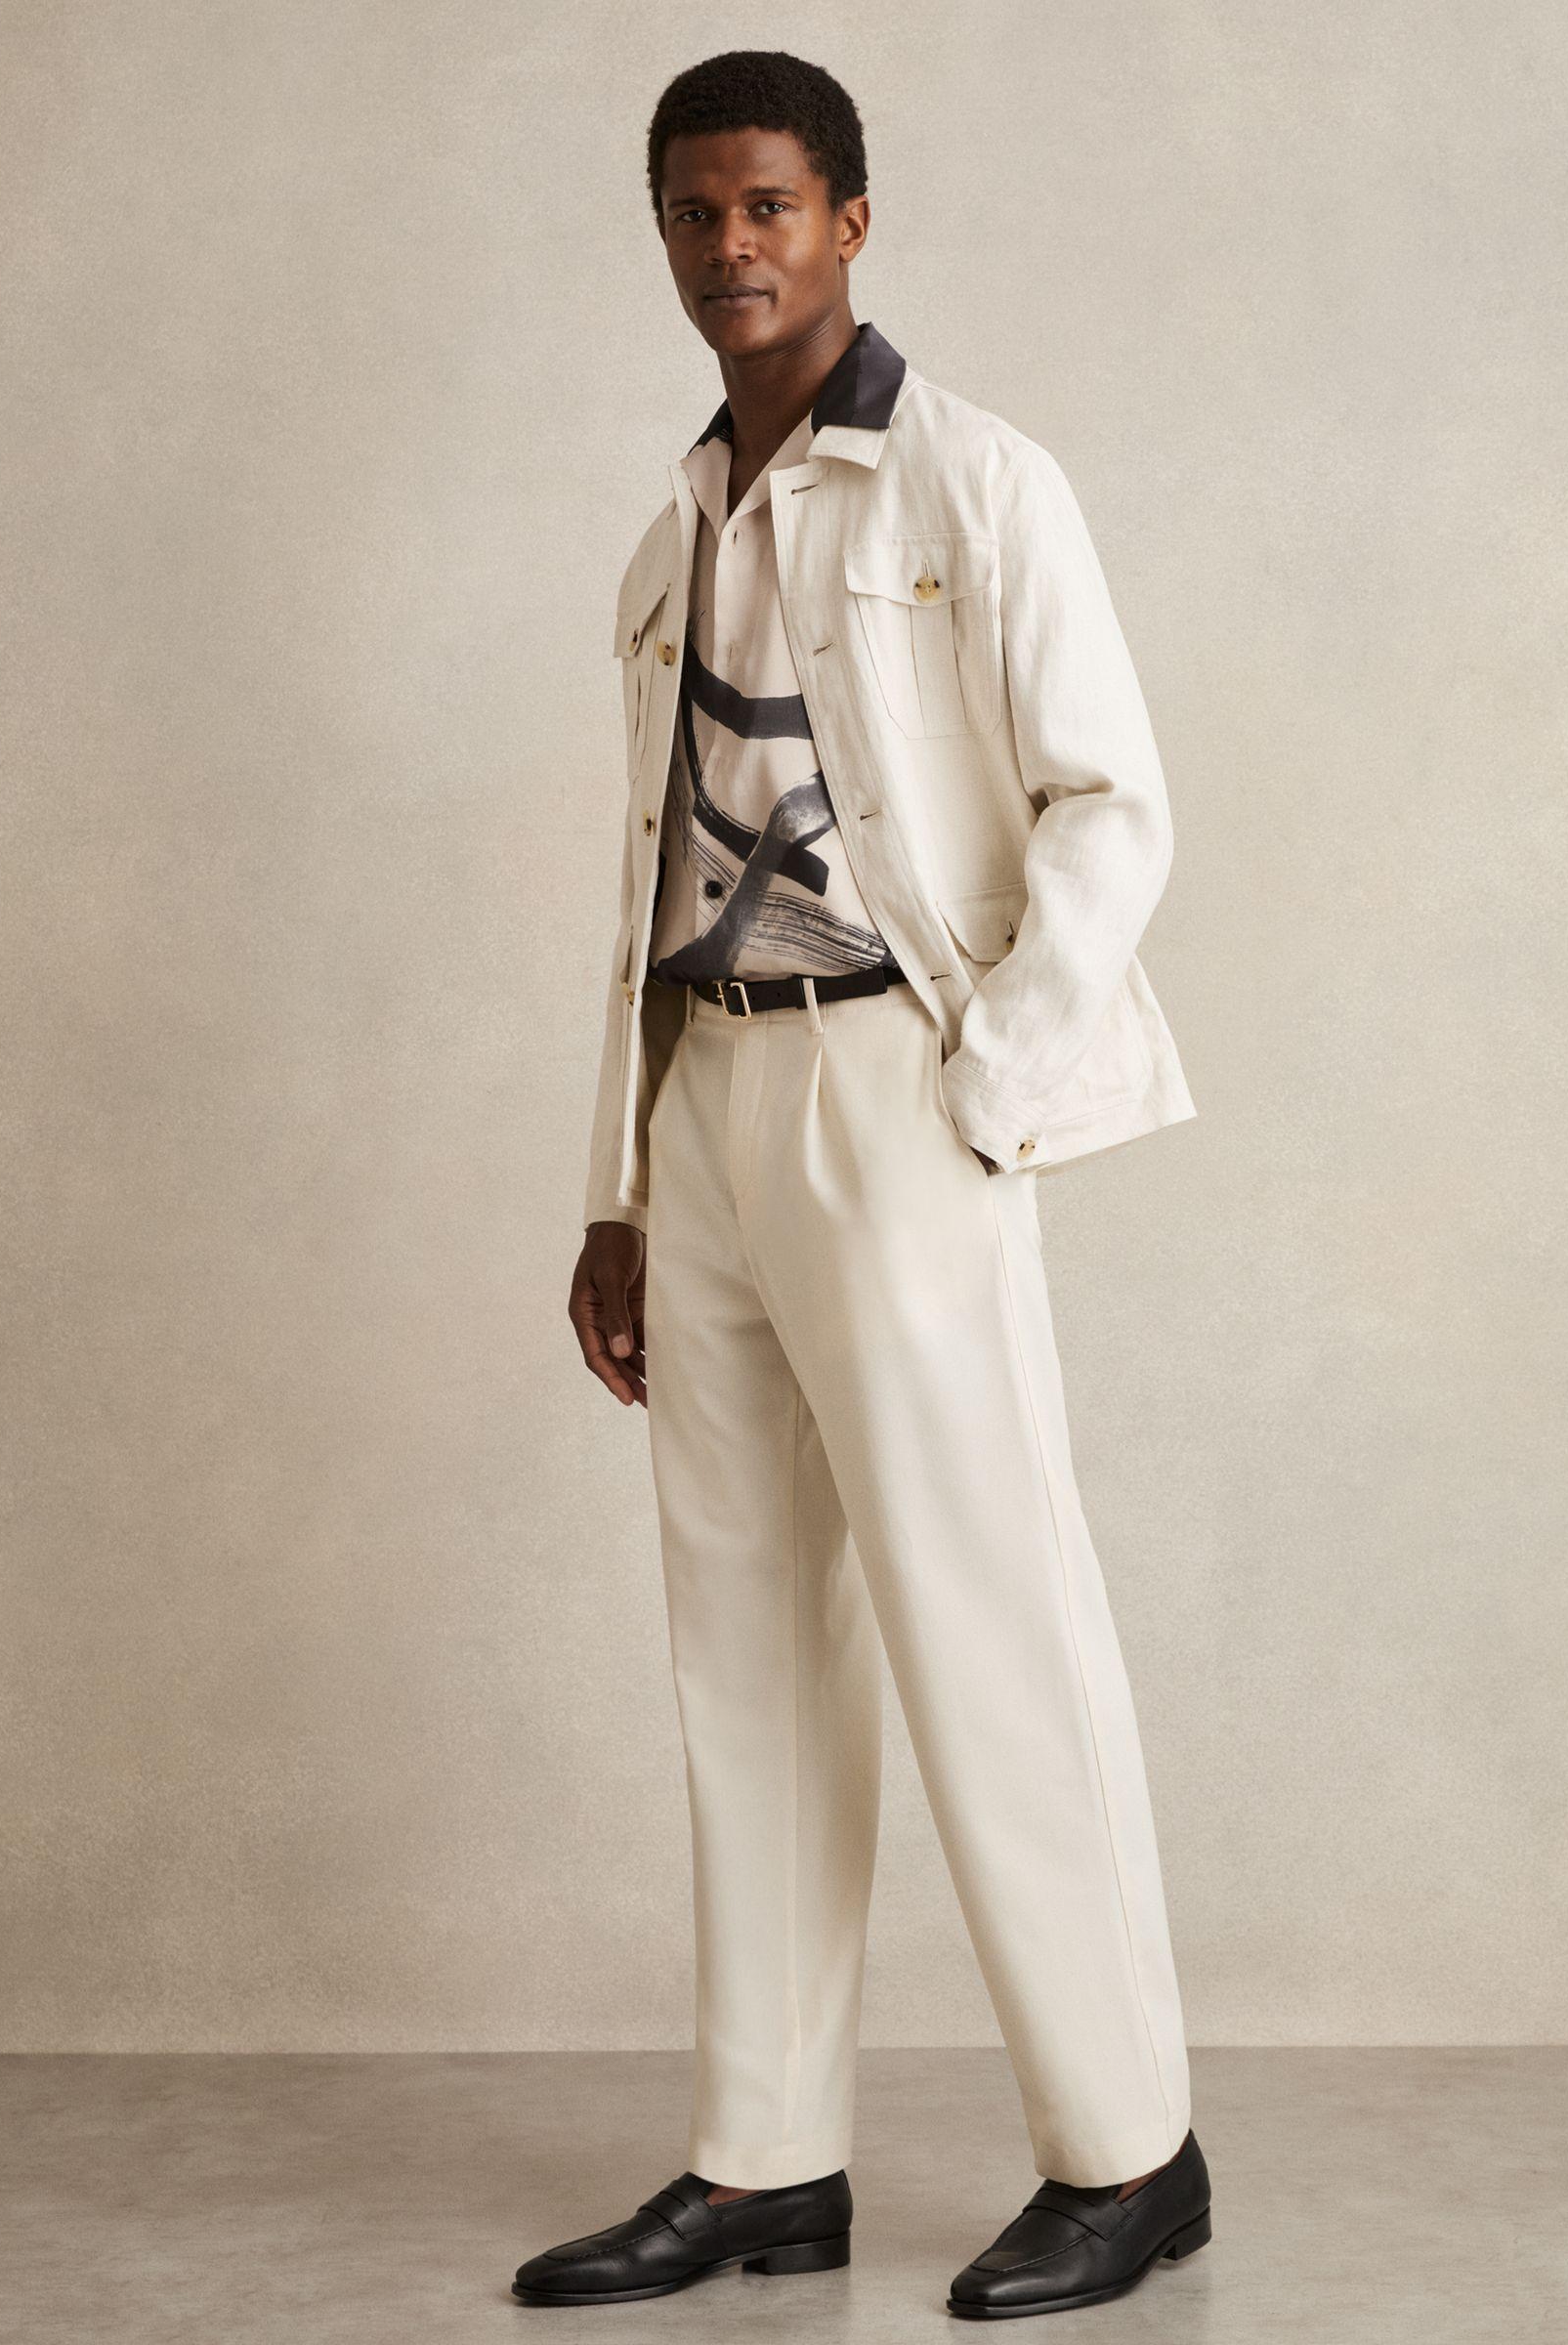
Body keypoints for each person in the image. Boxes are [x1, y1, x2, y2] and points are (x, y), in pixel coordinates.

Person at [512, 48, 1210, 2323]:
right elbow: (643, 880)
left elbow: (1113, 802)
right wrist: (621, 1185)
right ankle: (763, 2158)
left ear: (851, 220)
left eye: (771, 206)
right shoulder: (671, 538)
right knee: (743, 1646)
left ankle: (1131, 2150)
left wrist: (983, 1083)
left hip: (895, 1095)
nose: (733, 247)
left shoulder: (975, 481)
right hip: (706, 1109)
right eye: (695, 212)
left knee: (987, 1617)